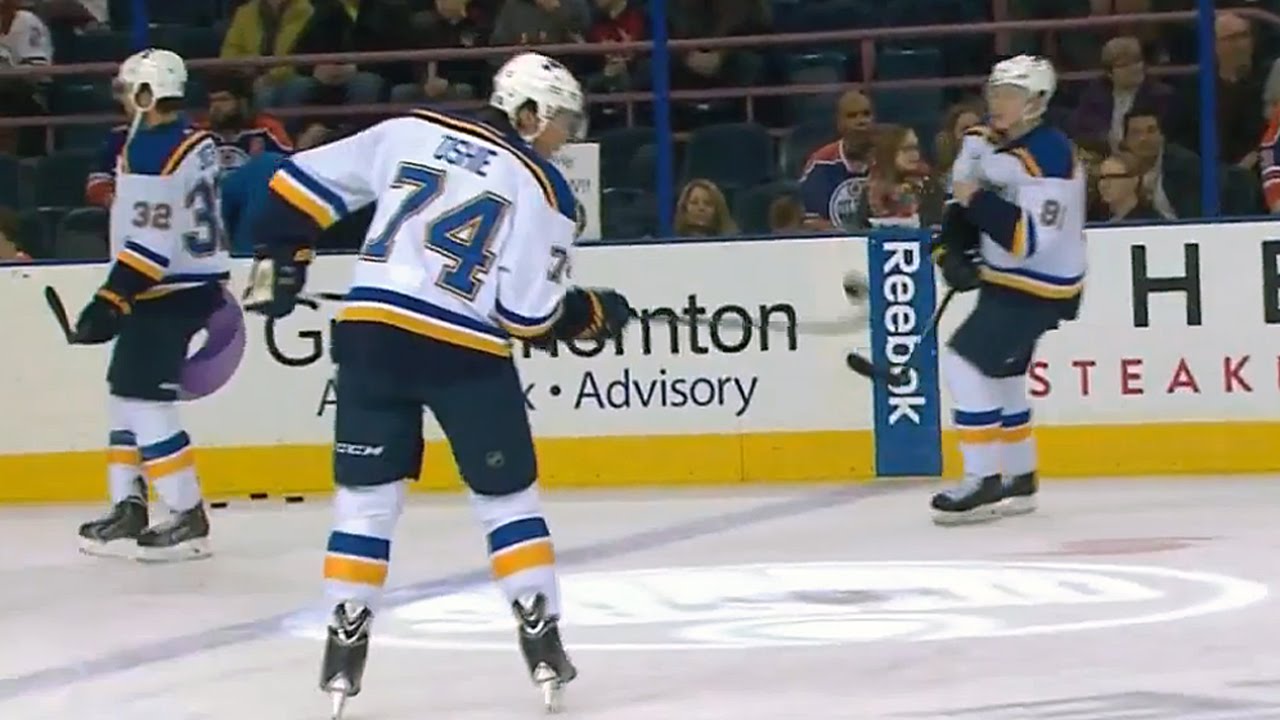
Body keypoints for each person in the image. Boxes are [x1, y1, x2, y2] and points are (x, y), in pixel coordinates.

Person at [243, 51, 632, 717]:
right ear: (526, 111)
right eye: (559, 121)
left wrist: (285, 258)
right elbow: (527, 318)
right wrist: (593, 313)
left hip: (371, 337)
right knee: (507, 501)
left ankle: (342, 645)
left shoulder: (411, 129)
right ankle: (541, 640)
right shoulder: (544, 189)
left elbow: (288, 188)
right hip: (463, 351)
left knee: (365, 504)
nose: (564, 136)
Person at [72, 49, 229, 560]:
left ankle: (188, 515)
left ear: (145, 94)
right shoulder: (193, 140)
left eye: (126, 90)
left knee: (144, 401)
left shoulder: (150, 151)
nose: (121, 100)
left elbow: (150, 246)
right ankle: (128, 505)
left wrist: (111, 297)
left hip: (166, 291)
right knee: (124, 395)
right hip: (178, 284)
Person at [929, 54, 1086, 526]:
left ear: (1037, 103)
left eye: (1011, 95)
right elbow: (959, 200)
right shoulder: (980, 141)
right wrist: (950, 248)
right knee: (1004, 373)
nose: (998, 103)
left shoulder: (1049, 157)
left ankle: (982, 479)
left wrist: (974, 200)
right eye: (995, 93)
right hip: (1009, 281)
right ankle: (1019, 476)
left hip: (1039, 286)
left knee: (964, 362)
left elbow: (1027, 241)